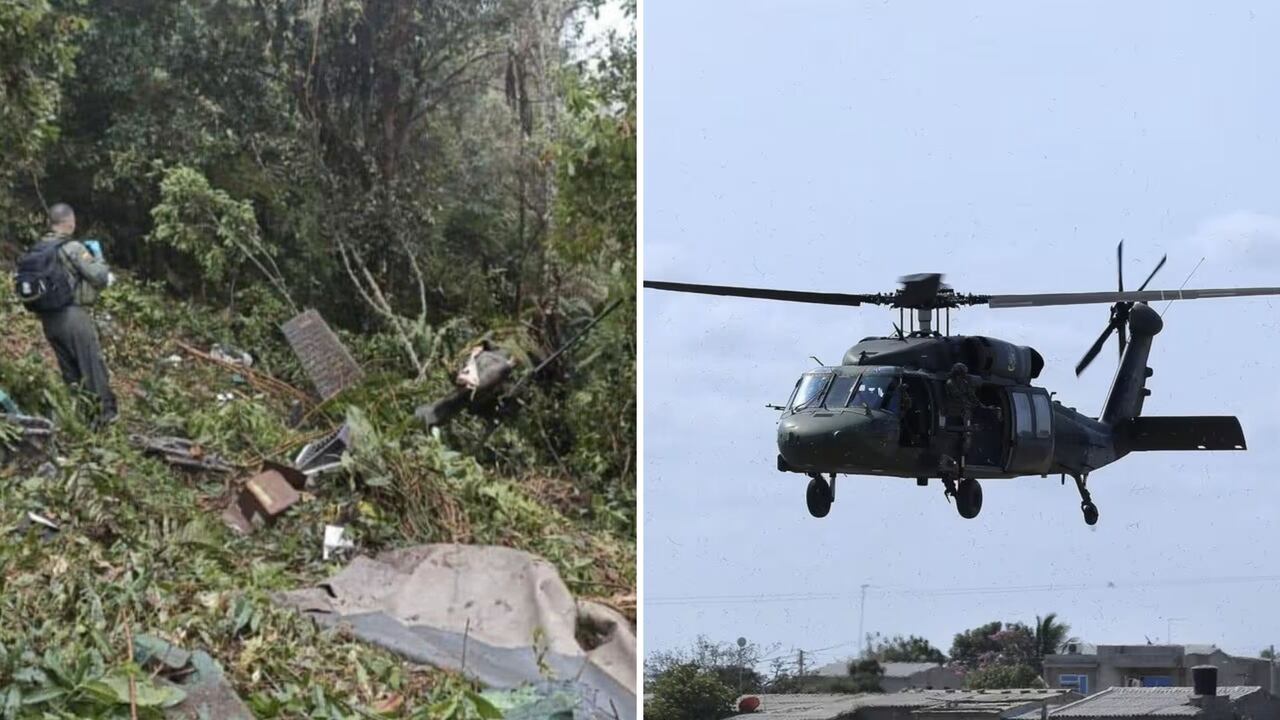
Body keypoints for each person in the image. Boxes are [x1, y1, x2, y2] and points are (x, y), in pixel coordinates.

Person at [30, 204, 117, 424]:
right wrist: (98, 256)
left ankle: (80, 419)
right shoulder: (73, 247)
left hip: (49, 320)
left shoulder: (39, 248)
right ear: (70, 221)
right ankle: (105, 418)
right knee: (91, 367)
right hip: (72, 316)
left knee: (70, 372)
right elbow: (98, 275)